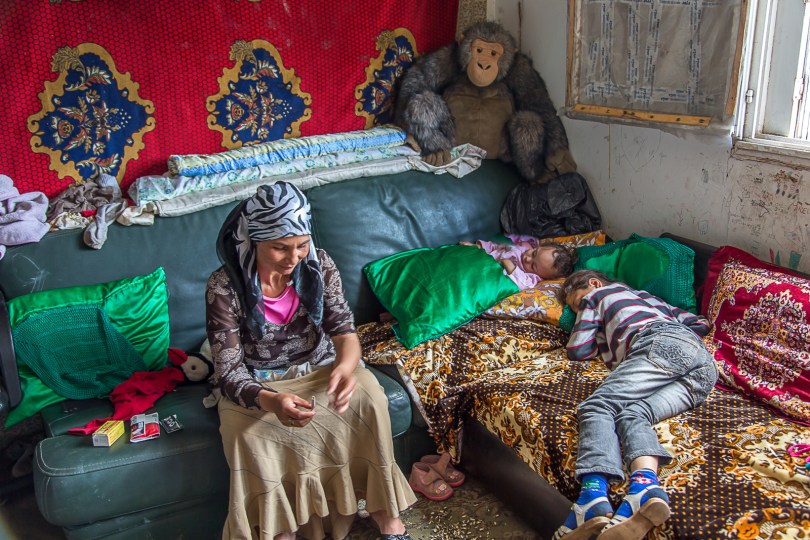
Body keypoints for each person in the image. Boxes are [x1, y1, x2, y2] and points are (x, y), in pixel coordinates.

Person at [206, 182, 416, 540]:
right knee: (249, 436)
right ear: (254, 241)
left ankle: (386, 516)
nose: (294, 258)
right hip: (258, 382)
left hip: (318, 366)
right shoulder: (224, 286)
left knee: (369, 400)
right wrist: (272, 402)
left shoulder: (320, 264)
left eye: (302, 245)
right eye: (280, 247)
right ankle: (279, 529)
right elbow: (229, 372)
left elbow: (344, 332)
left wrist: (345, 368)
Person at [552, 270, 717, 540]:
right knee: (634, 413)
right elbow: (699, 323)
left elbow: (578, 349)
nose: (580, 311)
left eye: (578, 304)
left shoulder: (596, 295)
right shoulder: (646, 297)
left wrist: (588, 316)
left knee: (597, 407)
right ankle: (645, 488)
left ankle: (592, 498)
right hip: (704, 369)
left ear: (594, 283)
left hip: (660, 344)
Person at [458, 236, 578, 289]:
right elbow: (496, 247)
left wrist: (508, 265)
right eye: (534, 253)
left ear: (540, 276)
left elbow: (524, 285)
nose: (528, 259)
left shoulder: (531, 278)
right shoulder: (521, 249)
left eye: (533, 266)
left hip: (485, 272)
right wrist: (477, 246)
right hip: (480, 257)